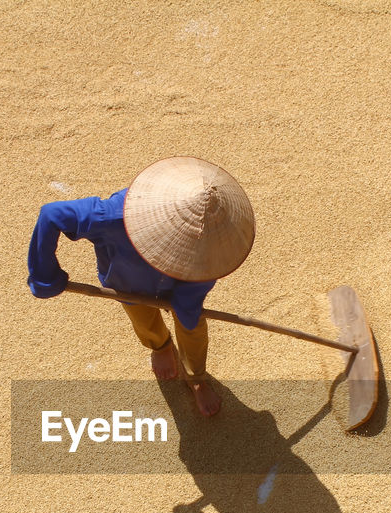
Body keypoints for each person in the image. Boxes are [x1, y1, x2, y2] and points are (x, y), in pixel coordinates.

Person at [27, 157, 255, 416]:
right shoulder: (114, 214)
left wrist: (185, 302)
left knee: (191, 326)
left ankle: (196, 378)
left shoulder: (215, 239)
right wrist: (45, 276)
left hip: (189, 283)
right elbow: (51, 214)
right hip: (129, 282)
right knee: (143, 319)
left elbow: (201, 280)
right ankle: (160, 346)